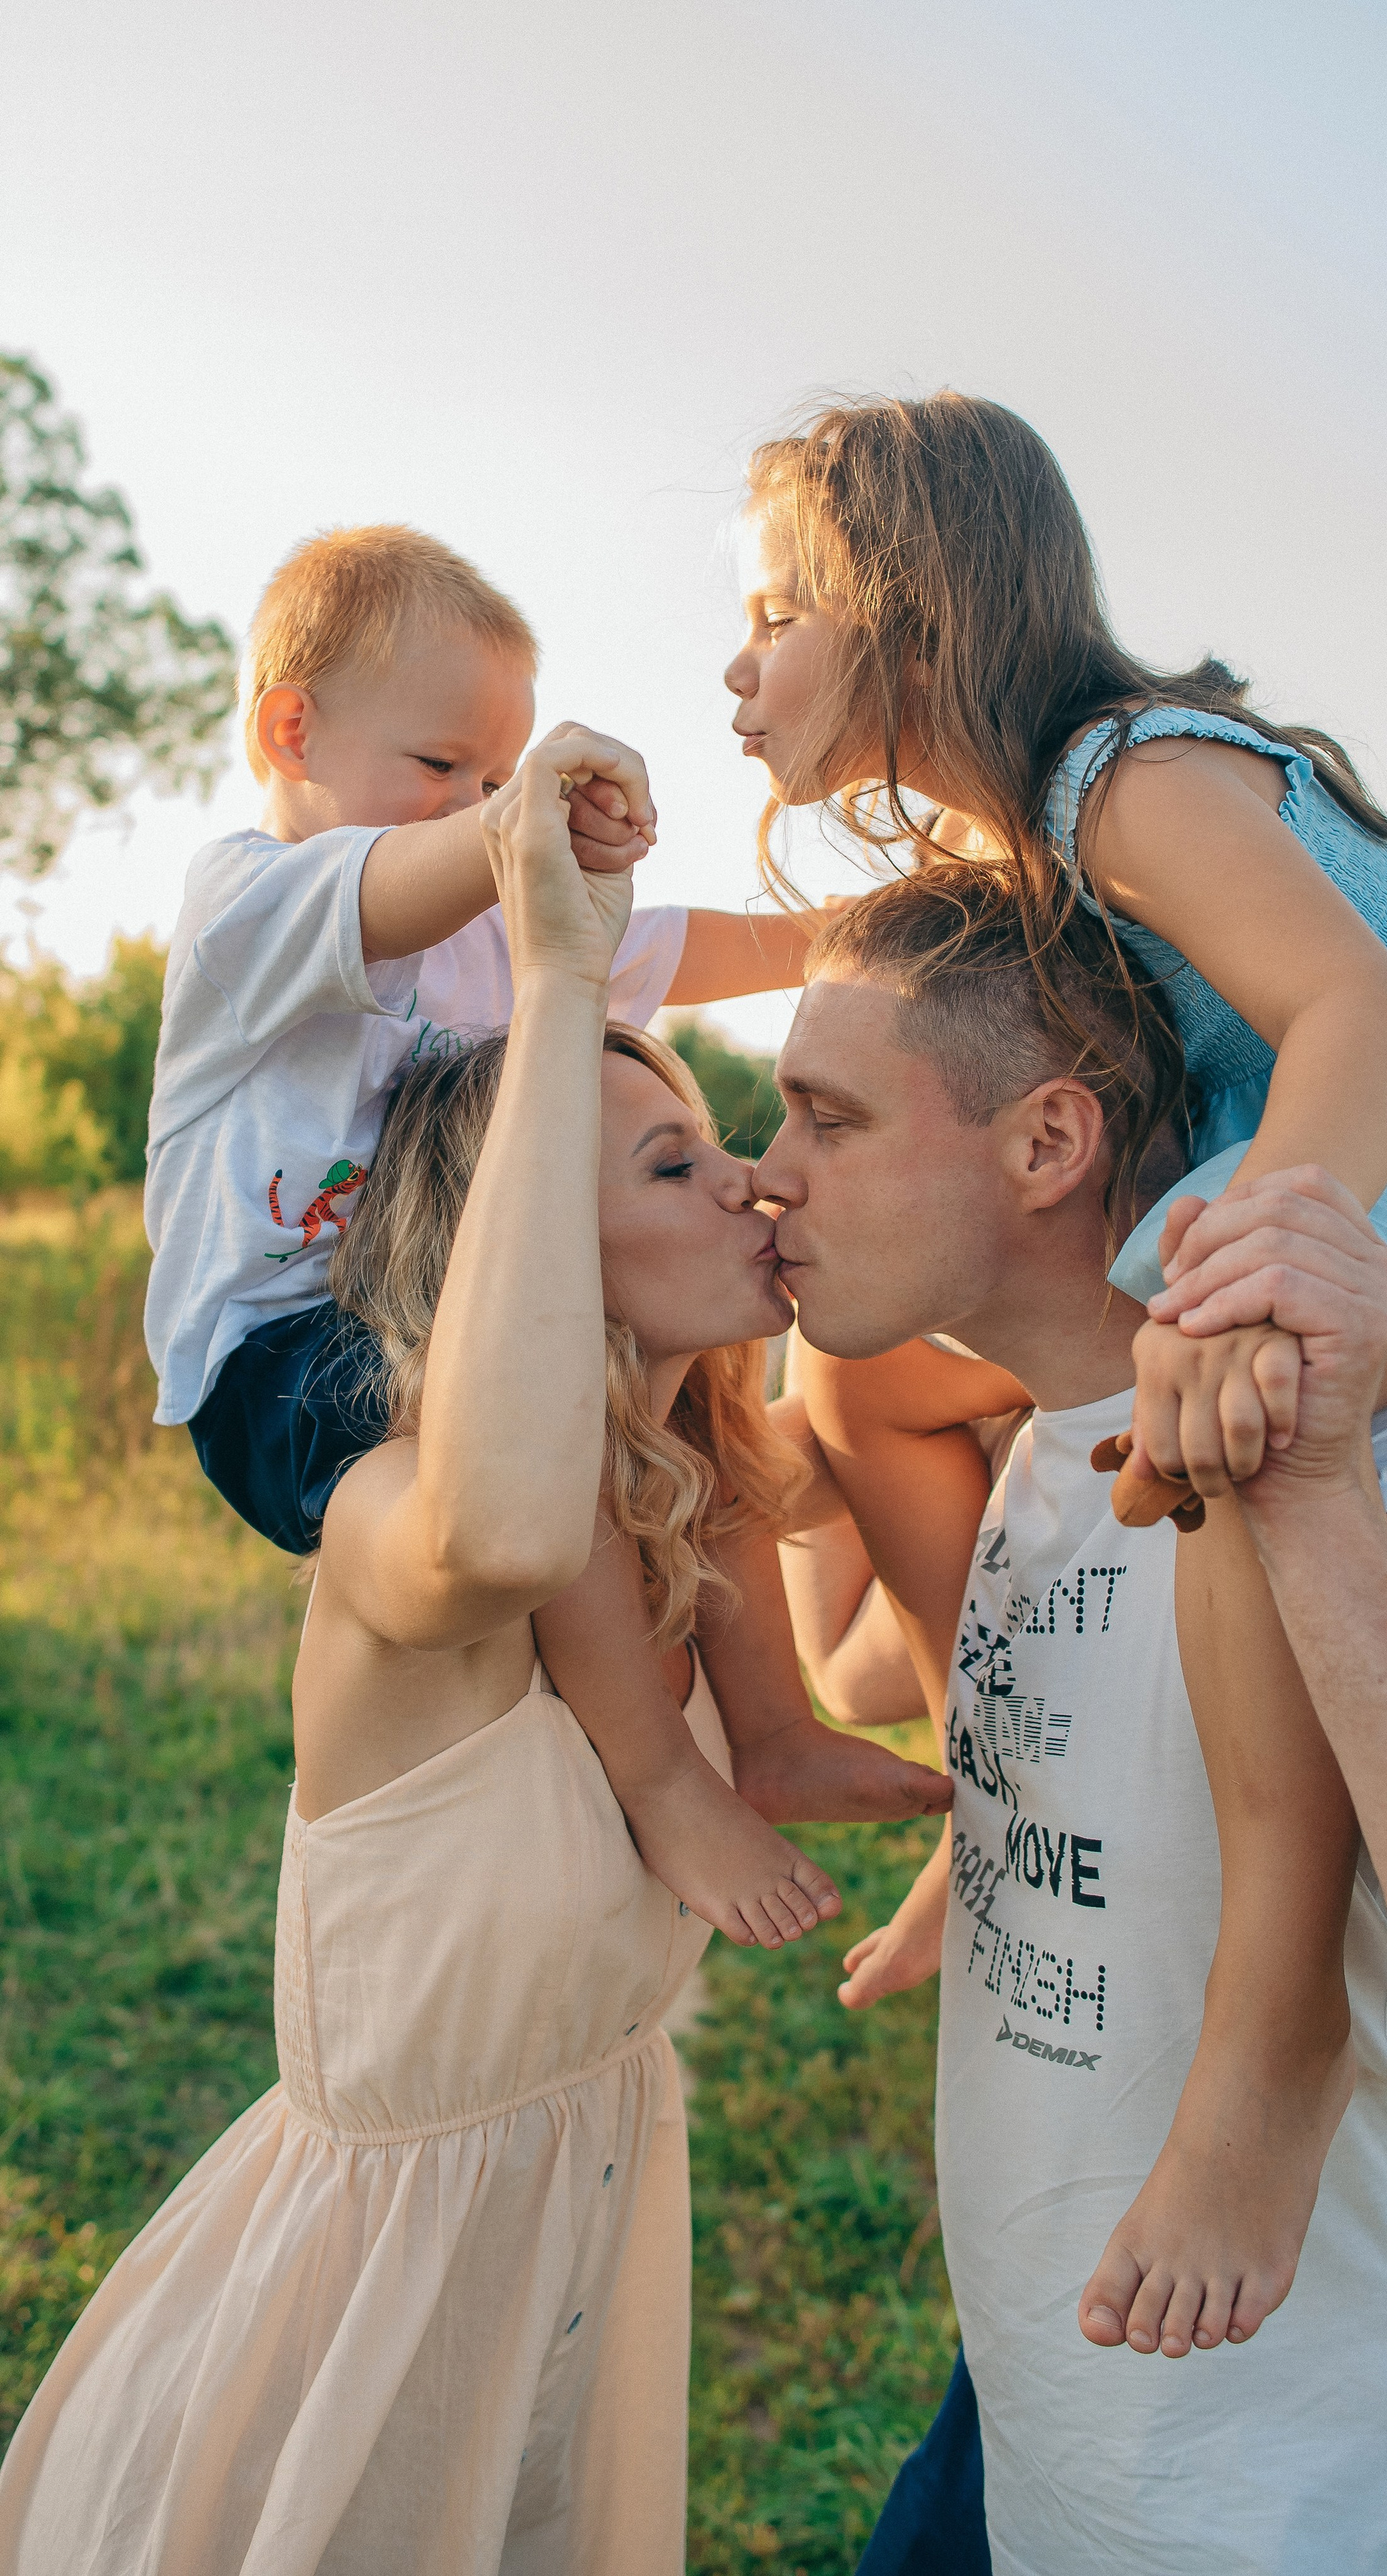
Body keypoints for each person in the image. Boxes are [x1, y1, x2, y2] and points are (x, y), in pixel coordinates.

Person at [727, 391, 1387, 2351]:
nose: (742, 663)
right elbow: (821, 958)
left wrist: (1246, 1291)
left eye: (777, 610)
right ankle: (995, 1801)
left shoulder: (1122, 778)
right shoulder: (1022, 835)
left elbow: (1366, 1016)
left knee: (1222, 1407)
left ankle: (1273, 2044)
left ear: (902, 609)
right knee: (867, 1389)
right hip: (1329, 1168)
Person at [753, 864, 1387, 2575]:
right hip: (1065, 2475)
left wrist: (1315, 1492)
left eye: (825, 1119)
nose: (770, 1173)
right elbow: (866, 1434)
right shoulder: (1039, 1438)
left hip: (1331, 2526)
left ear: (1045, 1146)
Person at [0, 752, 805, 2573]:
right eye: (676, 1161)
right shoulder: (391, 1534)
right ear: (529, 1234)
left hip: (574, 2274)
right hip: (360, 2357)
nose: (744, 1178)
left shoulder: (686, 1524)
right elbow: (502, 1530)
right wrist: (564, 978)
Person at [144, 522, 946, 1946]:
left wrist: (848, 925)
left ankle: (768, 1727)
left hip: (417, 1305)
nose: (481, 805)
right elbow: (406, 884)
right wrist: (517, 835)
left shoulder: (483, 927)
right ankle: (659, 1776)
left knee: (692, 1382)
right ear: (291, 731)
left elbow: (680, 949)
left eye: (497, 777)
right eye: (445, 769)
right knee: (546, 1391)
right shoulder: (254, 904)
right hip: (273, 1357)